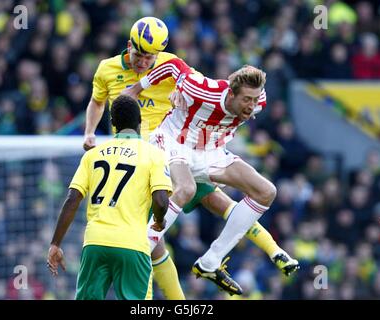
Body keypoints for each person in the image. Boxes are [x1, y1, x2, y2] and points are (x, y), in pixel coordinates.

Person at [84, 16, 298, 298]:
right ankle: (146, 254)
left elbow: (175, 68)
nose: (145, 61)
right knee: (186, 203)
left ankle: (232, 257)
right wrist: (92, 129)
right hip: (162, 147)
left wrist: (175, 96)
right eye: (140, 54)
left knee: (257, 193)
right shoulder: (108, 70)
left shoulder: (254, 102)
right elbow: (99, 101)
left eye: (151, 56)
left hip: (207, 153)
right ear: (129, 46)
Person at [123, 58, 299, 295]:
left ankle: (211, 261)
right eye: (246, 99)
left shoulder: (260, 102)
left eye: (255, 99)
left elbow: (255, 102)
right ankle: (142, 246)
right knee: (186, 189)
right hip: (175, 142)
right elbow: (174, 65)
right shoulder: (205, 90)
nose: (252, 106)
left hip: (212, 153)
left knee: (267, 191)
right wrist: (136, 89)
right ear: (231, 94)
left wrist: (254, 101)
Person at [47, 95, 172, 300]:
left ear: (113, 124)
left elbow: (72, 199)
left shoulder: (92, 155)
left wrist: (55, 244)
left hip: (95, 242)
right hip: (132, 245)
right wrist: (159, 221)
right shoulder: (153, 155)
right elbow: (160, 200)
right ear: (140, 122)